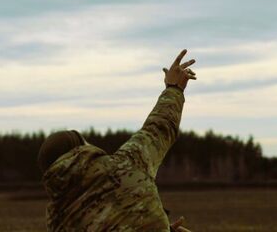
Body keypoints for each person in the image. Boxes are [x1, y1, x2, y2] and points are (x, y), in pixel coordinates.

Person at [37, 49, 196, 232]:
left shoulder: (56, 221)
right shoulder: (124, 166)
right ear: (81, 148)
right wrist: (174, 88)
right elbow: (159, 126)